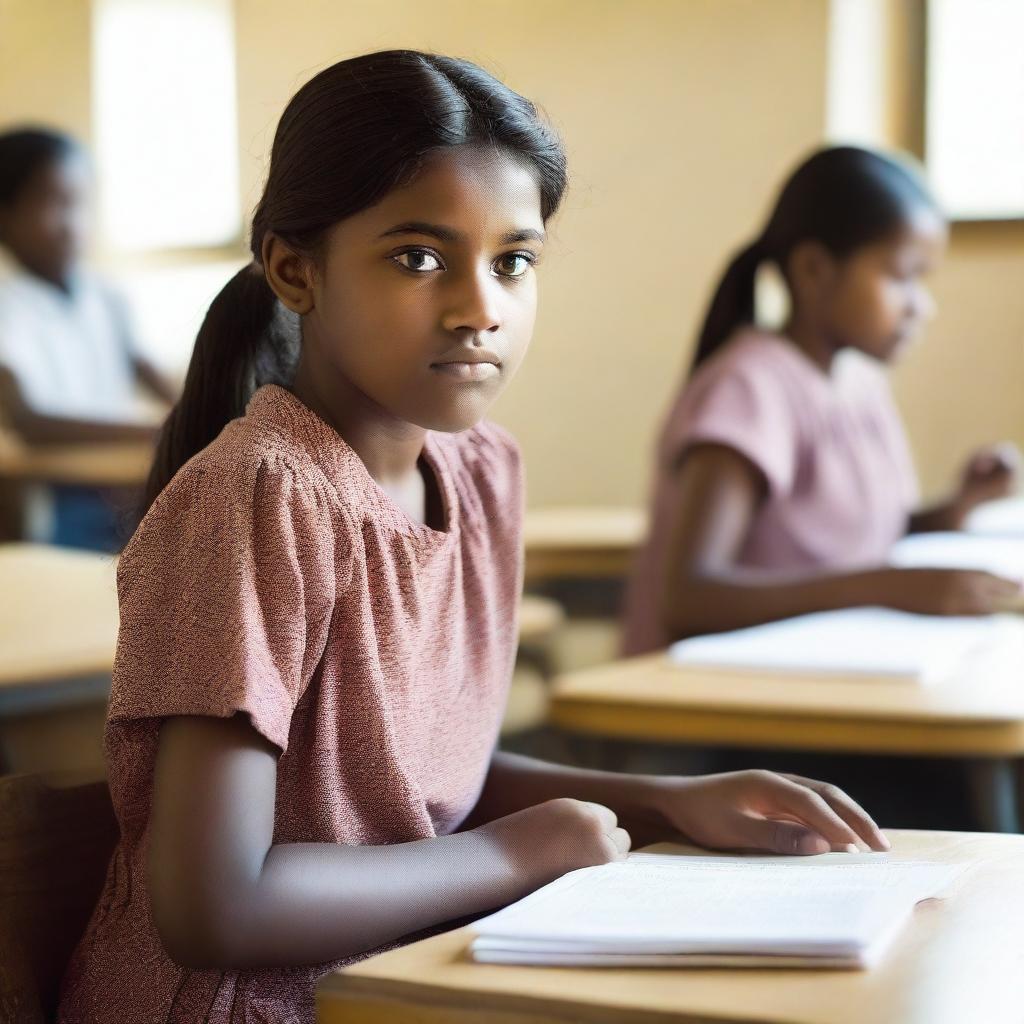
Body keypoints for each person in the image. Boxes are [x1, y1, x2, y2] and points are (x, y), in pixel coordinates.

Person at [58, 54, 886, 1024]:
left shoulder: (480, 468)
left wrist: (668, 799)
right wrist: (508, 854)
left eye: (514, 260)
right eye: (418, 257)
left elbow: (414, 789)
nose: (480, 305)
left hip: (410, 974)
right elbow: (215, 906)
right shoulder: (259, 497)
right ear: (294, 268)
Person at [622, 146, 1021, 656]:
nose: (921, 306)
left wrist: (953, 512)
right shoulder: (750, 387)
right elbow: (689, 599)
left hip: (816, 676)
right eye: (902, 277)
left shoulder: (859, 380)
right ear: (813, 270)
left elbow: (845, 542)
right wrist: (889, 587)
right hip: (710, 710)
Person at [0, 127, 176, 549]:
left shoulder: (106, 296)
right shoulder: (9, 306)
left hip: (129, 483)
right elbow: (30, 423)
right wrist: (157, 430)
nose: (72, 224)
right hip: (64, 499)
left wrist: (198, 414)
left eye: (79, 204)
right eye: (54, 203)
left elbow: (154, 377)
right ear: (5, 216)